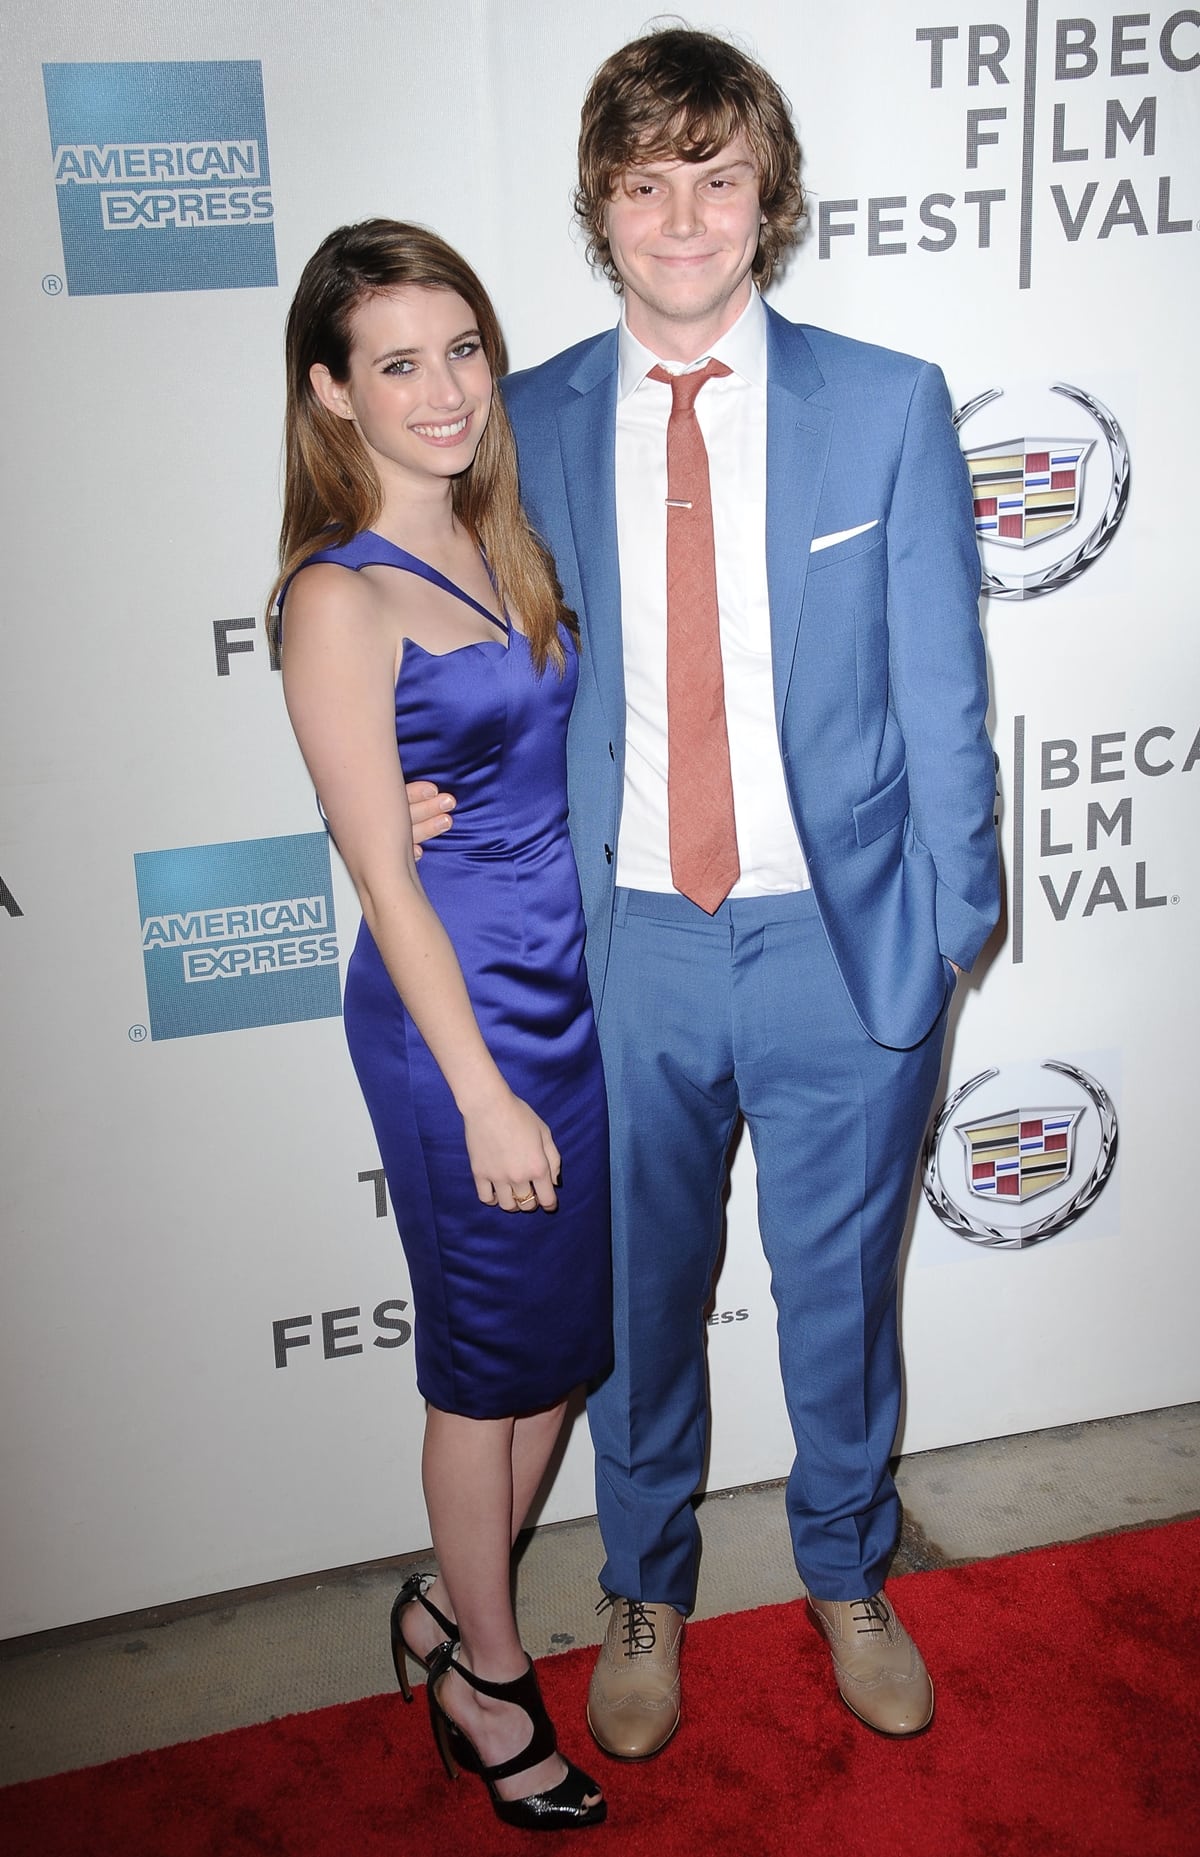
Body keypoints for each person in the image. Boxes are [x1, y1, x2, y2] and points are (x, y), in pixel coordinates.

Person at [413, 25, 1000, 1757]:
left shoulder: (884, 401)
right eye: (647, 180)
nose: (685, 215)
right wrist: (411, 779)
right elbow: (433, 634)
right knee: (636, 1305)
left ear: (768, 197)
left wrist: (946, 933)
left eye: (719, 176)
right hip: (622, 949)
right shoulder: (521, 422)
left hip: (843, 941)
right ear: (602, 203)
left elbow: (948, 694)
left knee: (839, 1299)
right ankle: (644, 1583)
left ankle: (843, 1567)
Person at [271, 219, 609, 1831]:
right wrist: (479, 1091)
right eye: (396, 362)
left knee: (564, 1345)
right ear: (331, 393)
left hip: (575, 988)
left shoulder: (504, 535)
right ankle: (487, 1674)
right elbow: (383, 881)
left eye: (462, 346)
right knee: (486, 1372)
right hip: (453, 1018)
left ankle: (441, 1602)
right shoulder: (339, 596)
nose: (445, 387)